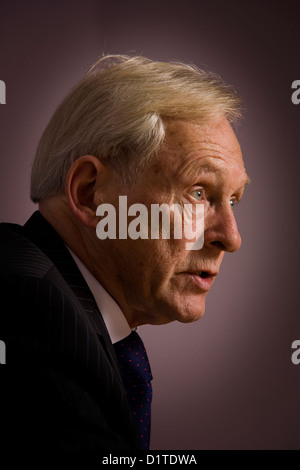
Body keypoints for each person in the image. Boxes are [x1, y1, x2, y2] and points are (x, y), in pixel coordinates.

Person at [0, 55, 249, 451]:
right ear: (90, 193)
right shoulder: (30, 307)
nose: (230, 238)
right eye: (198, 193)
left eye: (234, 200)